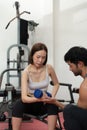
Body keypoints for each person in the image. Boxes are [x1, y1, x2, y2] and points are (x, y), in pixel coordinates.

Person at [12, 42, 60, 130]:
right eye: (38, 57)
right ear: (32, 55)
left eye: (43, 57)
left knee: (53, 105)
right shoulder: (26, 72)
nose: (40, 60)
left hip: (44, 103)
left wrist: (52, 96)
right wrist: (38, 99)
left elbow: (56, 84)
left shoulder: (49, 68)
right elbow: (24, 98)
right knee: (18, 104)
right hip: (31, 102)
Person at [63, 46, 87, 130]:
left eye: (70, 65)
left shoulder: (85, 86)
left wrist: (55, 102)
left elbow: (78, 109)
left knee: (69, 110)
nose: (70, 69)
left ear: (80, 64)